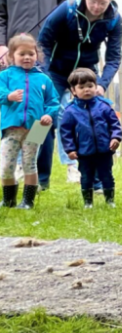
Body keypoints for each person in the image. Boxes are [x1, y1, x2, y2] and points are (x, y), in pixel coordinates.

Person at [37, 0, 122, 190]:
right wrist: (45, 75)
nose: (96, 7)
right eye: (93, 1)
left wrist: (101, 83)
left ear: (110, 1)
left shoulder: (114, 19)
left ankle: (92, 180)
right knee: (43, 121)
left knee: (90, 122)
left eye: (102, 3)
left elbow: (113, 57)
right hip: (55, 72)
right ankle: (39, 178)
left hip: (86, 74)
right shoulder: (66, 11)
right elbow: (44, 42)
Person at [0, 34, 59, 209]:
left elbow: (53, 102)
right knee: (6, 164)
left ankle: (28, 201)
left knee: (30, 163)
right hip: (11, 127)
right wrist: (8, 96)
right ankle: (8, 199)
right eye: (22, 54)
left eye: (31, 54)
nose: (27, 57)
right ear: (12, 56)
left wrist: (49, 114)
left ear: (37, 55)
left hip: (38, 127)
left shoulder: (44, 79)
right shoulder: (6, 76)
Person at [58, 68, 121, 208]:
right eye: (81, 87)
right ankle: (88, 202)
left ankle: (110, 200)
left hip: (105, 149)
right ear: (73, 90)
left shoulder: (104, 106)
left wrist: (115, 137)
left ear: (95, 86)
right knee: (86, 176)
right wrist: (70, 149)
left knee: (107, 175)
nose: (87, 90)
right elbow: (66, 132)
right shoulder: (70, 111)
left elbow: (114, 124)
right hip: (84, 152)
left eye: (90, 86)